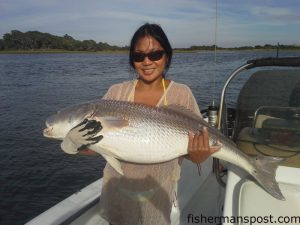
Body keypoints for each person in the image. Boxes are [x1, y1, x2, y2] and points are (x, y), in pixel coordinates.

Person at [66, 23, 220, 225]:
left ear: (167, 56)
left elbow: (193, 150)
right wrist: (75, 144)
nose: (147, 62)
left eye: (155, 54)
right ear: (132, 60)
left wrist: (198, 156)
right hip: (117, 194)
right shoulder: (115, 93)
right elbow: (99, 146)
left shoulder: (181, 94)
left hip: (157, 198)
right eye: (139, 56)